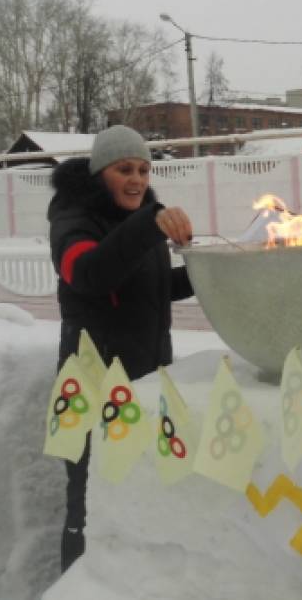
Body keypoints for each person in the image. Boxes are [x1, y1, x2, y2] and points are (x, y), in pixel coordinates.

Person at [47, 124, 194, 572]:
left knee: (137, 487)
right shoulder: (73, 218)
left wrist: (214, 273)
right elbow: (89, 273)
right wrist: (145, 227)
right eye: (124, 169)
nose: (137, 179)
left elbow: (151, 288)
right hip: (92, 385)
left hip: (144, 376)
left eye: (144, 170)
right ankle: (78, 581)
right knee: (89, 496)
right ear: (99, 172)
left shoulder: (144, 218)